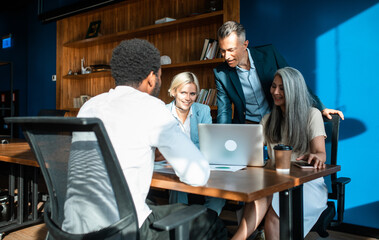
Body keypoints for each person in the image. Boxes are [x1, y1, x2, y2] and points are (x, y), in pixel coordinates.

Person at [77, 39, 227, 239]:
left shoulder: (90, 106)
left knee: (151, 205)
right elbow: (197, 175)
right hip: (123, 229)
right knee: (211, 221)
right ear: (151, 78)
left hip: (77, 222)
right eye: (160, 76)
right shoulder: (152, 107)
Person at [232, 67, 328, 240]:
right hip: (275, 181)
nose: (275, 92)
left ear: (294, 90)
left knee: (273, 214)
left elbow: (321, 154)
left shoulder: (312, 115)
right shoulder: (268, 120)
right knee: (261, 193)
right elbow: (248, 149)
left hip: (305, 184)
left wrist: (315, 157)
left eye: (282, 88)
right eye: (274, 86)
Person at [214, 21, 344, 124]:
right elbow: (224, 110)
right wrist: (222, 134)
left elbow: (294, 82)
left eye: (231, 50)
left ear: (245, 45)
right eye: (223, 51)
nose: (226, 56)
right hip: (247, 126)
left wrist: (321, 107)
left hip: (276, 121)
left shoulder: (269, 54)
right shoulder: (221, 73)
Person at [165, 71, 226, 215]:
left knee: (219, 192)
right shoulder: (163, 112)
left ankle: (206, 224)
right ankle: (180, 225)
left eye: (192, 94)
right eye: (183, 93)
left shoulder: (203, 111)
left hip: (200, 164)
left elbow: (208, 144)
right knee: (176, 186)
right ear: (174, 92)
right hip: (173, 168)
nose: (188, 98)